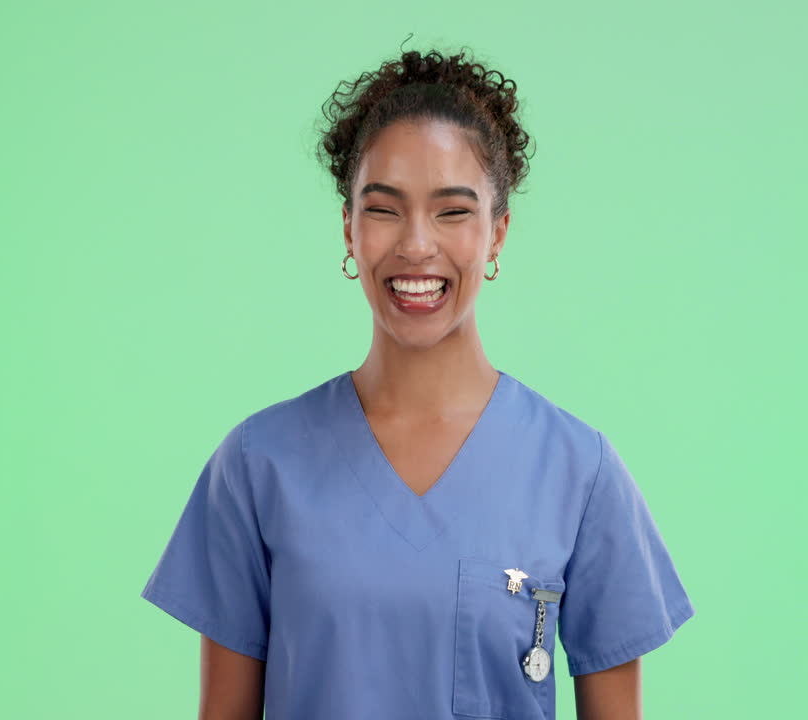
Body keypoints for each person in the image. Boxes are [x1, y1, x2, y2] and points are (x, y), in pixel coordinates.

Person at [140, 44, 695, 720]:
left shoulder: (579, 475)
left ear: (497, 235)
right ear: (348, 228)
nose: (416, 245)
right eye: (383, 209)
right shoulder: (257, 467)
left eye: (453, 211)